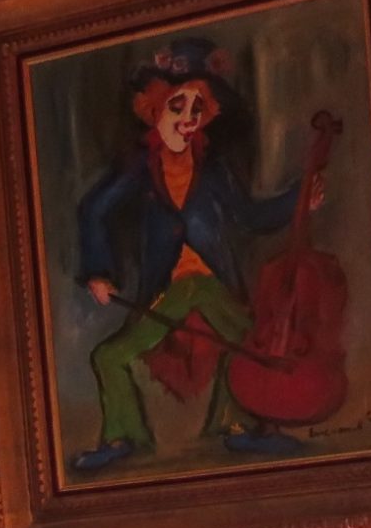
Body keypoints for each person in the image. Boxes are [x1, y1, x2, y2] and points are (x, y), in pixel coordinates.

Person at [69, 36, 325, 473]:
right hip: (167, 289)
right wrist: (98, 272)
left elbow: (248, 215)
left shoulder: (214, 169)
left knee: (249, 344)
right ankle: (122, 437)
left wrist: (297, 200)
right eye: (177, 107)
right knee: (108, 356)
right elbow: (93, 210)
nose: (188, 119)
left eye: (197, 109)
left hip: (211, 284)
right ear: (153, 109)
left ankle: (240, 426)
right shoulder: (138, 166)